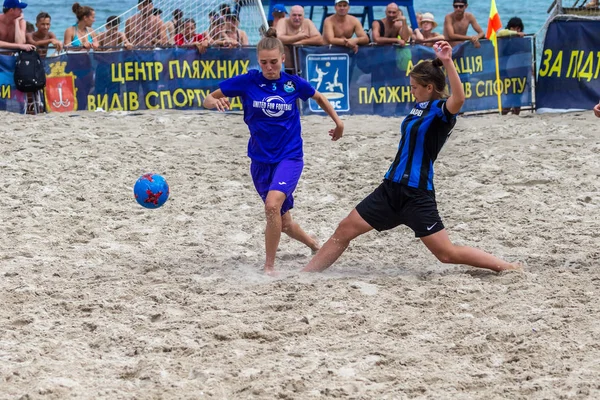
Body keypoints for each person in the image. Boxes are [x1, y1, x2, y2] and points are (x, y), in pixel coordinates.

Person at [302, 40, 521, 274]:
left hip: (416, 195)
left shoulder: (441, 111)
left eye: (415, 86)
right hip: (390, 189)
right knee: (344, 230)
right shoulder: (417, 108)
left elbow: (459, 98)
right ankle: (305, 276)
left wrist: (447, 62)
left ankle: (507, 267)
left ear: (429, 87)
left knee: (446, 254)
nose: (411, 90)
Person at [202, 28, 344, 274]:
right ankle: (313, 244)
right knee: (284, 221)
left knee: (271, 206)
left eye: (274, 62)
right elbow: (207, 98)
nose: (269, 67)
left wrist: (338, 122)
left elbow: (319, 97)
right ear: (258, 61)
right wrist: (214, 102)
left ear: (283, 59)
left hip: (289, 156)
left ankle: (269, 267)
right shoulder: (248, 81)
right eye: (264, 63)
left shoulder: (292, 84)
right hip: (260, 160)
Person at [276, 5, 323, 70]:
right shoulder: (283, 22)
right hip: (287, 67)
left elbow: (320, 39)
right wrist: (298, 37)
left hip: (304, 67)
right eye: (294, 15)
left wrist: (301, 42)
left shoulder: (307, 22)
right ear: (289, 16)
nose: (297, 18)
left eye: (299, 15)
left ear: (303, 16)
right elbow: (278, 38)